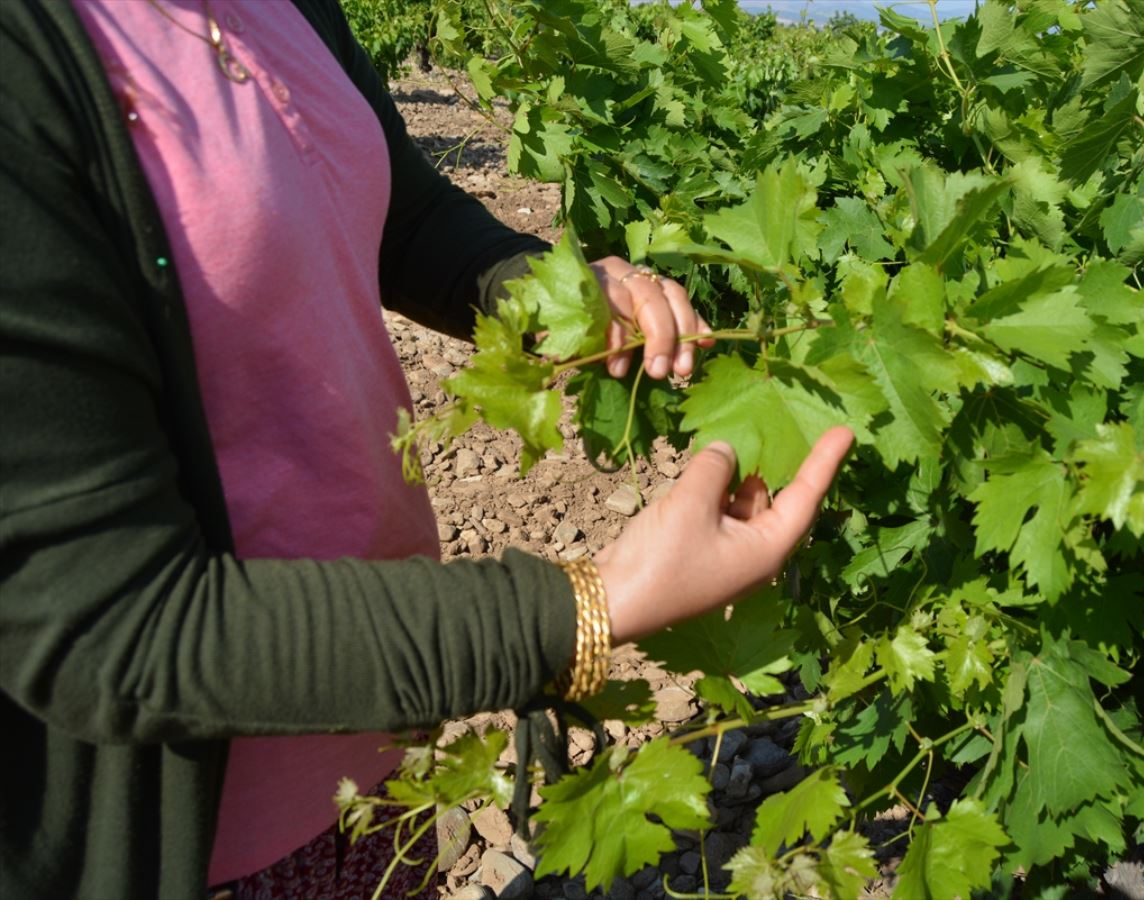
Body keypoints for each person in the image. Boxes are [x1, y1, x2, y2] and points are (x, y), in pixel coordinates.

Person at [0, 1, 854, 898]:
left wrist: (549, 296)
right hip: (185, 842)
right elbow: (107, 621)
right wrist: (585, 610)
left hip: (378, 720)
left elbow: (399, 216)